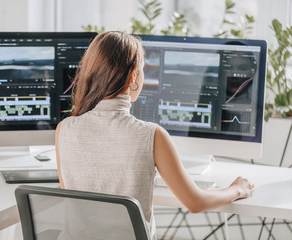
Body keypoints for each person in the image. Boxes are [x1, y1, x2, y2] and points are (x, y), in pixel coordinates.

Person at [55, 31, 254, 240]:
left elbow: (75, 198)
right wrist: (237, 189)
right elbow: (196, 202)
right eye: (142, 71)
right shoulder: (151, 135)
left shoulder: (65, 129)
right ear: (133, 76)